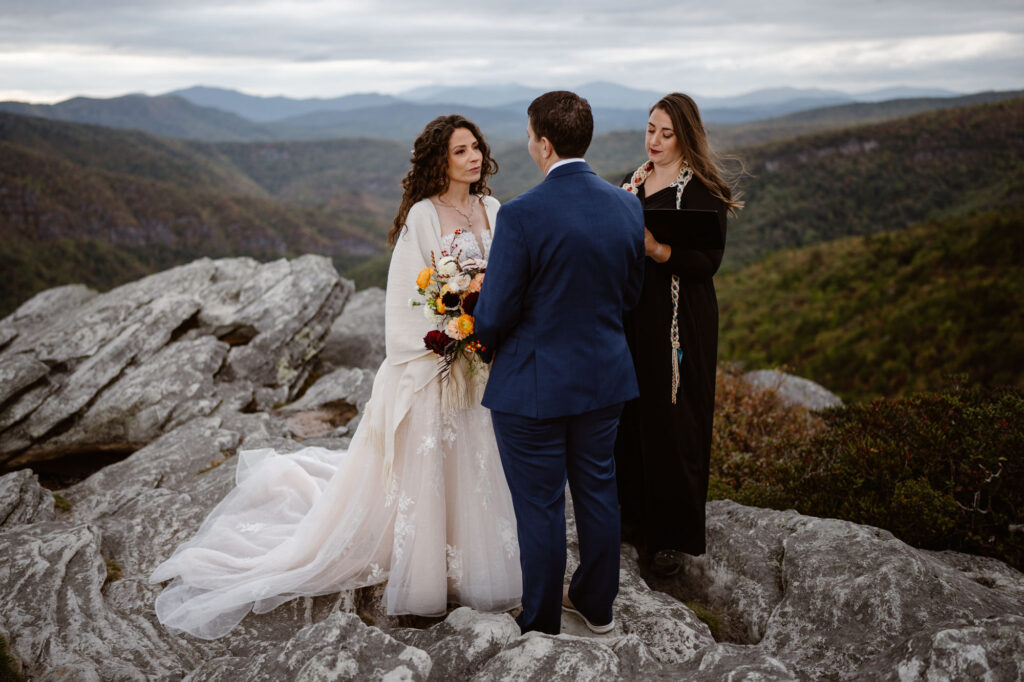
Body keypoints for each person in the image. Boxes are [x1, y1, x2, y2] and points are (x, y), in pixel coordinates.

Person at [149, 115, 522, 639]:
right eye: (460, 151)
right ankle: (423, 582)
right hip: (438, 359)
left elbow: (508, 274)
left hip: (482, 360)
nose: (473, 157)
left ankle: (472, 568)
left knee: (475, 463)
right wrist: (448, 334)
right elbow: (406, 298)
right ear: (442, 160)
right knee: (431, 463)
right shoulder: (423, 215)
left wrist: (488, 327)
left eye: (476, 147)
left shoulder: (493, 210)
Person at [474, 91, 645, 635]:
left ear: (543, 144)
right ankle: (597, 607)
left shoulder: (522, 215)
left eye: (529, 136)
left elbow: (496, 312)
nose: (529, 144)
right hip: (604, 378)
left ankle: (542, 620)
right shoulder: (626, 205)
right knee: (598, 492)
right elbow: (630, 295)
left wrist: (481, 338)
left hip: (534, 389)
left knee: (540, 507)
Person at [613, 92, 742, 576]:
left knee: (674, 417)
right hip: (633, 314)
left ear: (685, 136)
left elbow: (709, 263)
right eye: (650, 130)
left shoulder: (705, 188)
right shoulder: (634, 181)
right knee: (632, 415)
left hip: (679, 321)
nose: (655, 141)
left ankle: (670, 539)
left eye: (667, 133)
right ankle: (631, 522)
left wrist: (658, 249)